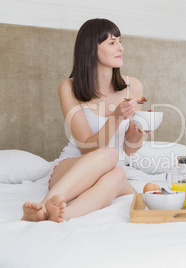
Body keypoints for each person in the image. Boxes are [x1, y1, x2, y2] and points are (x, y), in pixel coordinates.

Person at [21, 18, 149, 223]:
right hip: (74, 166)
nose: (121, 47)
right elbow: (87, 148)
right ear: (91, 48)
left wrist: (138, 135)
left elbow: (130, 149)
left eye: (120, 41)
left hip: (113, 167)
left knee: (117, 173)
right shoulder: (69, 88)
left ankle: (62, 214)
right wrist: (116, 117)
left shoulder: (133, 87)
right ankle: (42, 206)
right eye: (112, 42)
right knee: (109, 154)